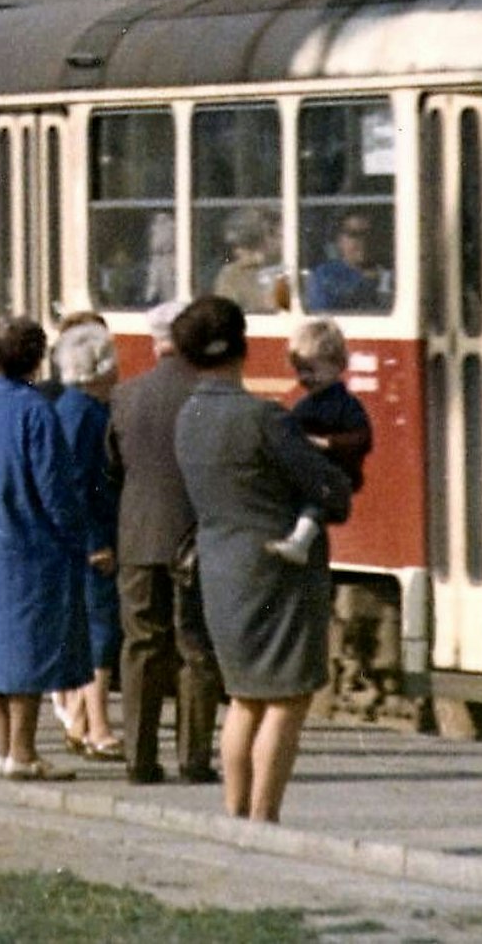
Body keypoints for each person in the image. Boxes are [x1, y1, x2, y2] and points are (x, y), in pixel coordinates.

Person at [172, 295, 351, 822]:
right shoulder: (263, 418)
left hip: (219, 567)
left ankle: (236, 812)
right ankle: (264, 816)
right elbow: (329, 489)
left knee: (245, 698)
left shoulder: (189, 416)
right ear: (242, 348)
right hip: (277, 570)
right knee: (286, 699)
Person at [0, 314, 91, 782]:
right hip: (36, 548)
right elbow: (54, 488)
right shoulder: (37, 411)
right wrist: (78, 537)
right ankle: (24, 752)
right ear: (38, 358)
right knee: (29, 654)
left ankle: (3, 750)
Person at [106, 299, 223, 786]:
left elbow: (111, 467)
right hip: (195, 540)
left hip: (138, 537)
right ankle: (194, 759)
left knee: (141, 647)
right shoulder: (209, 394)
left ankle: (139, 758)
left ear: (155, 342)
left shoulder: (125, 396)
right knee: (195, 647)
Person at [50, 322, 125, 761]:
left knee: (92, 628)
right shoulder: (86, 414)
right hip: (92, 539)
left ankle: (79, 721)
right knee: (99, 632)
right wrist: (97, 540)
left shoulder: (72, 407)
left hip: (80, 538)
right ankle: (98, 726)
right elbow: (81, 485)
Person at [271, 318, 372, 566]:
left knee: (315, 506)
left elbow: (362, 438)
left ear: (338, 365)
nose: (305, 377)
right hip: (314, 472)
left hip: (337, 473)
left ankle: (300, 542)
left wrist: (327, 443)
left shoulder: (346, 405)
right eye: (300, 370)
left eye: (312, 369)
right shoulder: (305, 406)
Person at [305, 212, 387, 312]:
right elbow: (322, 315)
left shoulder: (390, 275)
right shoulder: (324, 275)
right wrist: (364, 285)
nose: (362, 240)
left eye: (368, 234)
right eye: (354, 234)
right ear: (339, 240)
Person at [212, 207, 283, 314]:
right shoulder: (232, 275)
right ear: (265, 238)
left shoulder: (291, 268)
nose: (283, 242)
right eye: (279, 236)